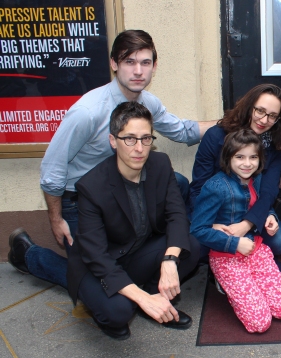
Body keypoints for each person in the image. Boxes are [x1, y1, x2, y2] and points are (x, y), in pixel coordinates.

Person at [7, 30, 215, 288]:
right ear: (114, 64)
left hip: (125, 193)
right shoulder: (87, 112)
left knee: (178, 183)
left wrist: (233, 121)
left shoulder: (147, 103)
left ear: (154, 66)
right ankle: (29, 255)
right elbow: (52, 170)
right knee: (96, 283)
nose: (138, 71)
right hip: (81, 201)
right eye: (129, 62)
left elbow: (182, 130)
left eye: (145, 62)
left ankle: (173, 250)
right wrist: (56, 218)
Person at [67, 102, 201, 340]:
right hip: (100, 266)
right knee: (119, 312)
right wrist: (142, 298)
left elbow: (176, 214)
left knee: (191, 245)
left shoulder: (160, 165)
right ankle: (142, 302)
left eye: (146, 138)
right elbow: (97, 257)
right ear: (113, 140)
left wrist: (170, 260)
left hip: (136, 251)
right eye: (129, 139)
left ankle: (154, 300)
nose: (139, 148)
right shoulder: (91, 187)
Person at [190, 129, 281, 333]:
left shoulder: (255, 179)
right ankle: (229, 284)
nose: (247, 163)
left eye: (253, 157)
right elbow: (198, 229)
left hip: (255, 250)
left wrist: (270, 215)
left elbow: (259, 205)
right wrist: (235, 243)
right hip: (226, 256)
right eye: (239, 157)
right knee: (259, 324)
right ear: (228, 158)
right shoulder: (215, 187)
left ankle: (253, 285)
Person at [189, 84, 281, 259]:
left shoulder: (275, 145)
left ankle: (248, 261)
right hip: (215, 210)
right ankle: (223, 266)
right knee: (199, 245)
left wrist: (248, 223)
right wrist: (210, 223)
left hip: (249, 208)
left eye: (272, 116)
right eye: (260, 111)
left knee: (280, 242)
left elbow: (268, 191)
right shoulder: (215, 136)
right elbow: (199, 185)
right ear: (249, 106)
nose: (264, 120)